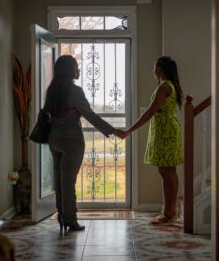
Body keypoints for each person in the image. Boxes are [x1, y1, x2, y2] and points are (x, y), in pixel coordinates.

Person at [43, 55, 123, 233]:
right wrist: (113, 131)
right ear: (69, 70)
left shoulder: (52, 90)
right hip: (71, 141)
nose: (78, 70)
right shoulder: (75, 91)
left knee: (59, 181)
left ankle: (62, 216)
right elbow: (90, 116)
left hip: (54, 139)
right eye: (76, 67)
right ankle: (71, 220)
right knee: (68, 182)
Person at [120, 56, 184, 225]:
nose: (153, 71)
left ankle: (168, 213)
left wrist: (129, 130)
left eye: (154, 67)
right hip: (168, 130)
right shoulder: (170, 85)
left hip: (166, 132)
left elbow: (150, 112)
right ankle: (170, 211)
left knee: (167, 172)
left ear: (160, 69)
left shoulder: (164, 87)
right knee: (168, 171)